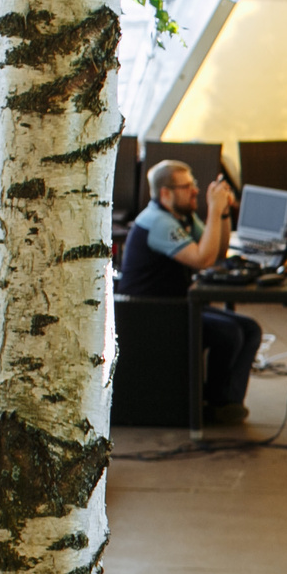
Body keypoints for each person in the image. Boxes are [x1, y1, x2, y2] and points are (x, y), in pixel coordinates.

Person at [116, 158, 258, 426]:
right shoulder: (157, 222)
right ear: (166, 193)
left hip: (177, 307)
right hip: (151, 316)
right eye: (188, 186)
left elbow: (217, 253)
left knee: (250, 329)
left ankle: (224, 403)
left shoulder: (181, 216)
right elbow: (202, 260)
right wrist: (213, 212)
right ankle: (208, 402)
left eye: (193, 185)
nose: (195, 191)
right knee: (229, 333)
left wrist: (223, 213)